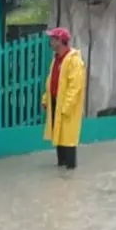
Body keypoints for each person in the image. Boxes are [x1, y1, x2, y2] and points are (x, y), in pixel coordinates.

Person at [41, 27, 85, 170]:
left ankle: (69, 171)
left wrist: (66, 106)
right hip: (56, 103)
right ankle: (61, 168)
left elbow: (75, 86)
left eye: (53, 39)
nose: (51, 42)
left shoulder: (74, 61)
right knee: (58, 136)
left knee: (68, 140)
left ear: (60, 40)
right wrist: (46, 99)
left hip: (67, 106)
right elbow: (51, 81)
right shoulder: (57, 60)